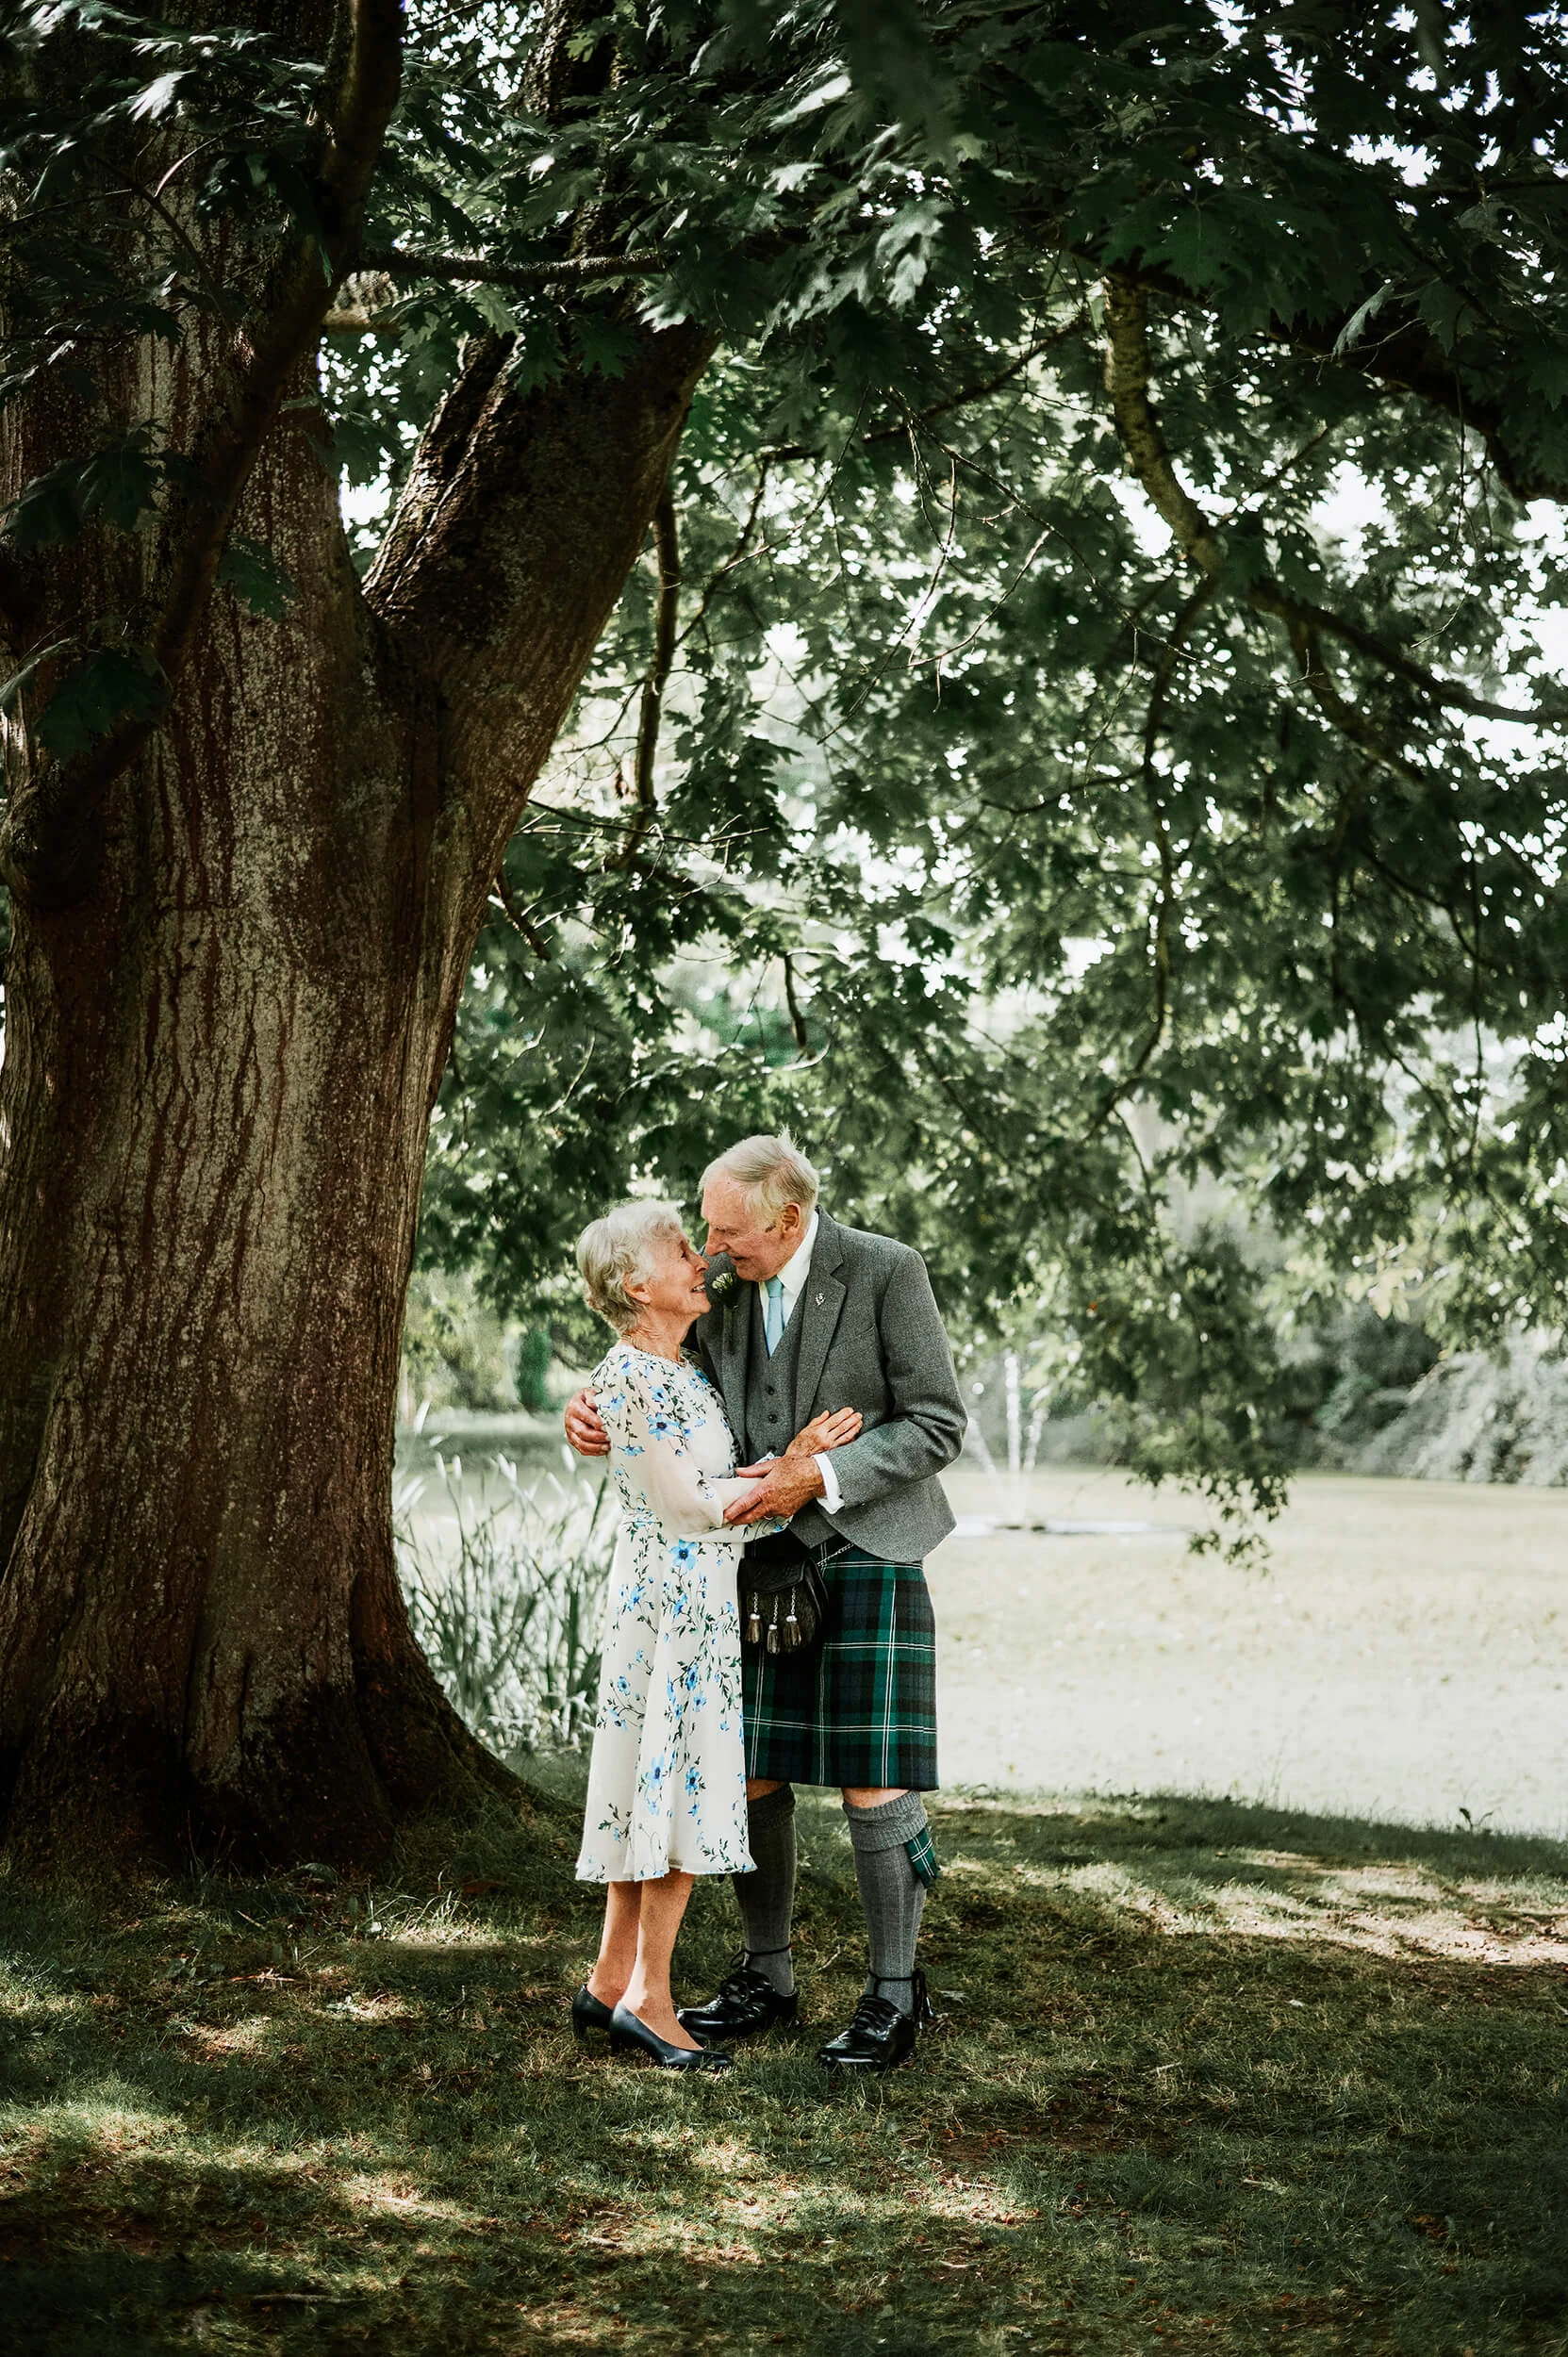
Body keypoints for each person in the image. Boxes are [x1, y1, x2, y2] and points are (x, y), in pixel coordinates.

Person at [566, 1136, 966, 2073]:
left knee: (874, 1772)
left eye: (726, 1231)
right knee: (748, 1772)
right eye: (701, 1231)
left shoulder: (883, 1271)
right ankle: (766, 1976)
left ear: (786, 1219)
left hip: (865, 1541)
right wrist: (585, 1410)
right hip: (744, 1553)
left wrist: (815, 1474)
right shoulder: (719, 1287)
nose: (708, 1247)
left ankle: (894, 1995)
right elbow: (645, 1365)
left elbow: (937, 1422)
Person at [569, 1197, 862, 2072]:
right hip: (672, 1614)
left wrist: (780, 1466)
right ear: (635, 1284)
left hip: (686, 1603)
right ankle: (649, 2002)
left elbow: (702, 1479)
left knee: (654, 1788)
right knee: (678, 1794)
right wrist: (798, 1472)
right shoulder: (635, 1376)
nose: (700, 1257)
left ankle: (611, 1974)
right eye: (680, 1248)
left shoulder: (679, 1368)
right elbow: (695, 1509)